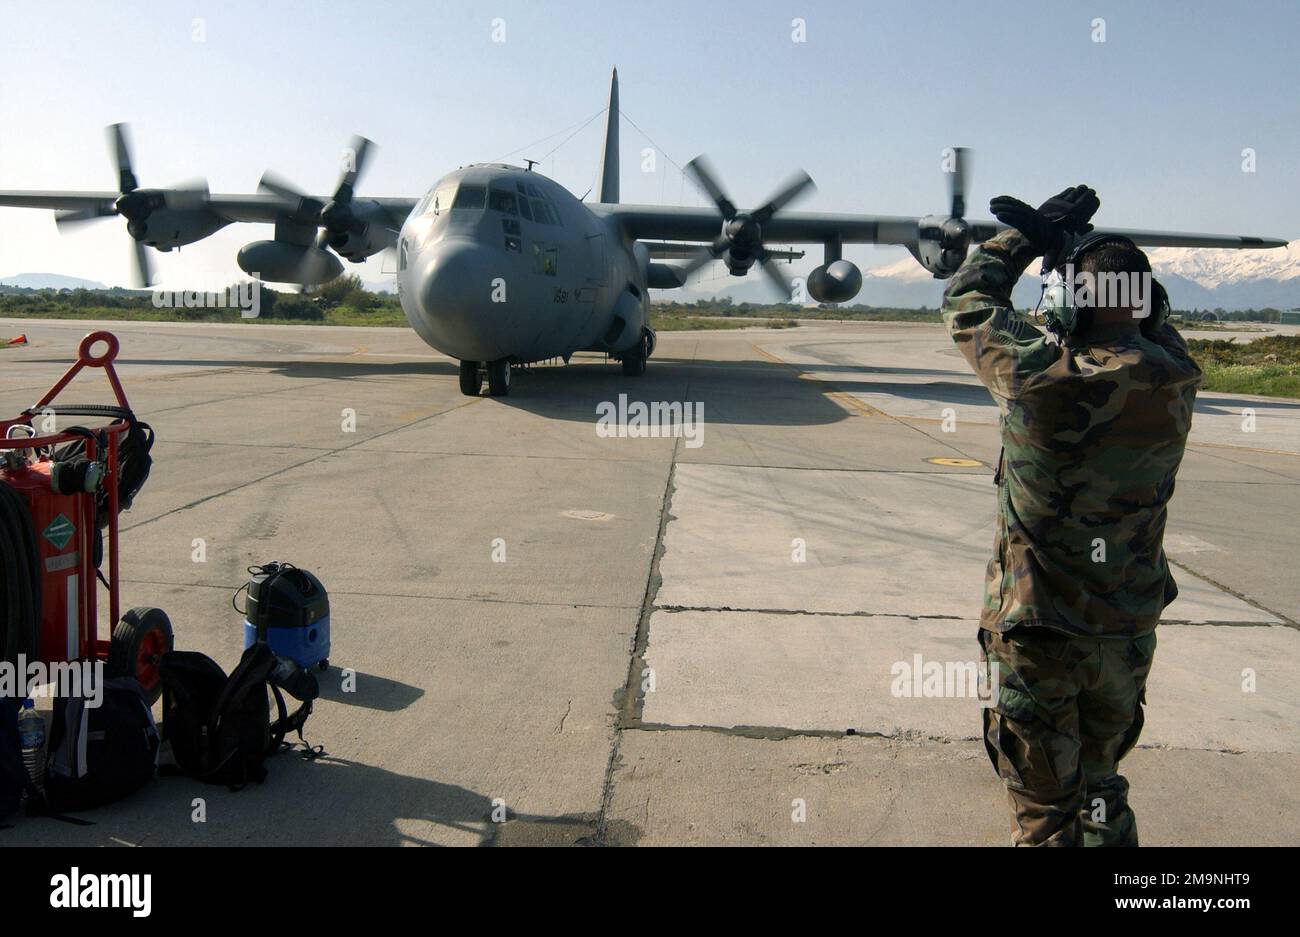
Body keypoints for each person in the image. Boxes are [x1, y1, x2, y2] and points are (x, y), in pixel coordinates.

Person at [941, 186, 1202, 846]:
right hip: (1125, 634)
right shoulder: (1176, 376)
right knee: (1100, 786)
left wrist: (1025, 242)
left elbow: (967, 300)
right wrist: (1084, 256)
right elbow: (1154, 318)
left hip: (1041, 636)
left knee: (1046, 812)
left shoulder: (1039, 377)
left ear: (1067, 310)